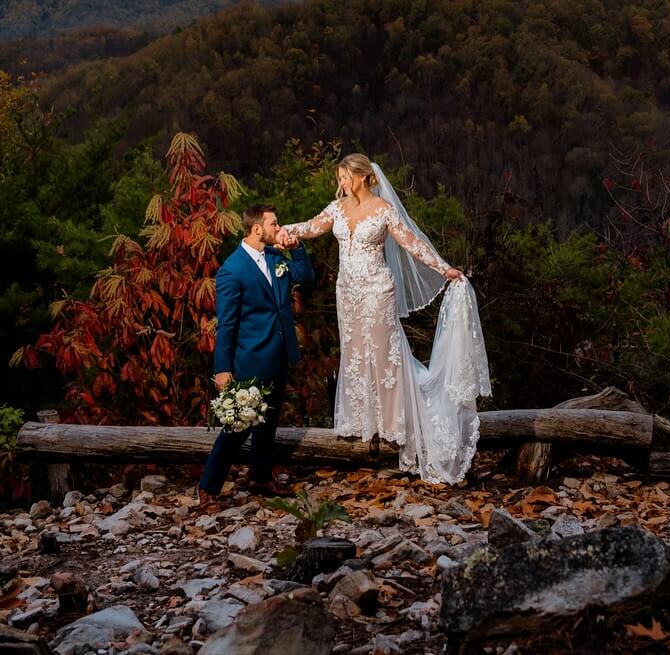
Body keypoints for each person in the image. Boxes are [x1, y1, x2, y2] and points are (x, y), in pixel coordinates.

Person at [285, 154, 491, 484]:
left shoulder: (382, 210)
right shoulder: (336, 209)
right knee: (355, 355)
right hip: (348, 295)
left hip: (378, 292)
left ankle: (396, 426)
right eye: (339, 176)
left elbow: (411, 242)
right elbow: (311, 227)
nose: (341, 181)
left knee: (385, 356)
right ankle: (366, 424)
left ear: (364, 177)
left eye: (345, 176)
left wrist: (443, 267)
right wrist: (280, 232)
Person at [198, 202, 313, 511]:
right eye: (275, 224)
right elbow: (227, 323)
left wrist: (297, 246)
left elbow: (306, 274)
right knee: (238, 426)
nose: (280, 228)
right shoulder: (232, 270)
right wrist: (222, 368)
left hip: (278, 352)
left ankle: (260, 478)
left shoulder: (276, 257)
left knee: (268, 422)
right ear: (257, 228)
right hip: (249, 358)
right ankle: (208, 488)